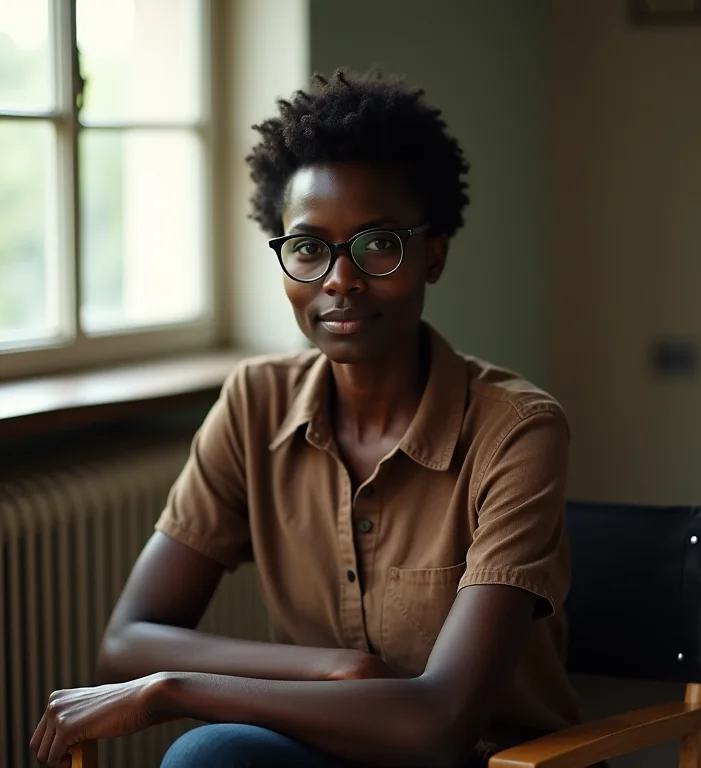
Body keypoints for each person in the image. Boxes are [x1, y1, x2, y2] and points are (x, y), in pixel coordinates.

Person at [31, 70, 580, 768]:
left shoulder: (516, 431)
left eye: (378, 243)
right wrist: (336, 670)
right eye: (309, 247)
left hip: (487, 758)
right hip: (332, 747)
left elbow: (441, 720)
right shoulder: (255, 403)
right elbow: (129, 638)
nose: (340, 280)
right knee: (210, 757)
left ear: (433, 253)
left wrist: (173, 689)